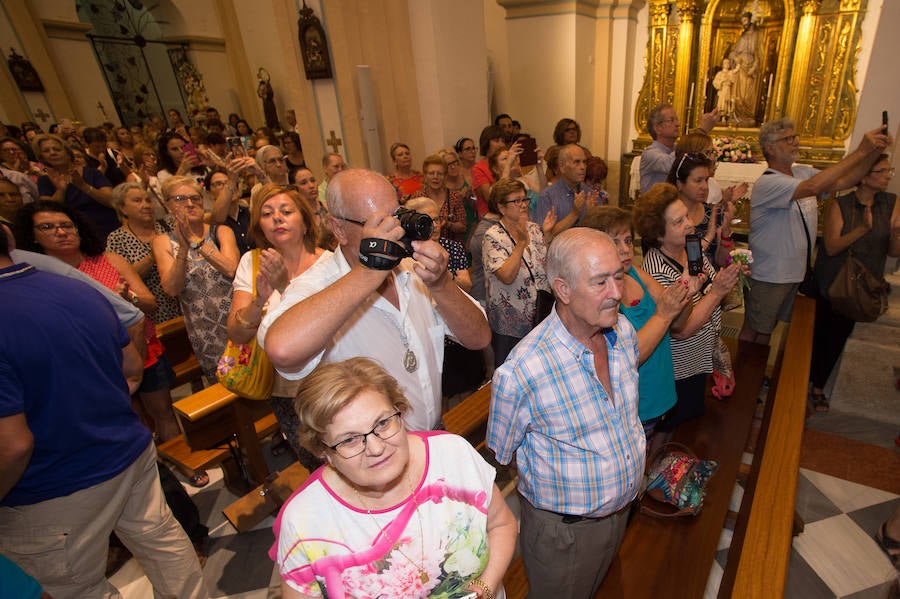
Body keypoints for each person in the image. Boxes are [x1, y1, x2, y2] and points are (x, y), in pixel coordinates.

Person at [0, 229, 209, 598]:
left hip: (55, 480)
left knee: (77, 586)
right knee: (162, 541)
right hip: (125, 447)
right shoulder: (76, 288)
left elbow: (14, 444)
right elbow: (130, 363)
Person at [258, 169, 491, 432]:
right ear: (339, 229)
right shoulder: (318, 284)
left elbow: (479, 337)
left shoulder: (412, 270)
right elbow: (282, 350)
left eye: (396, 217)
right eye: (379, 224)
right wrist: (369, 271)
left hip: (432, 432)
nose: (396, 231)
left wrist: (441, 284)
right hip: (372, 453)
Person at [269, 357, 517, 599]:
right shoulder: (304, 521)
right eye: (350, 439)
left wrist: (487, 585)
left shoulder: (453, 455)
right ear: (324, 452)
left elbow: (502, 525)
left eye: (383, 423)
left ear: (400, 411)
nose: (376, 447)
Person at [487, 228, 645, 598]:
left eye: (618, 277)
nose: (617, 293)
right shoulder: (524, 370)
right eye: (600, 282)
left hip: (622, 512)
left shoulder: (622, 332)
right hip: (565, 534)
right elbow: (502, 452)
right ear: (563, 289)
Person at [739, 118, 891, 345]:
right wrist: (861, 151)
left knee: (768, 331)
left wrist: (871, 153)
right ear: (769, 148)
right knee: (755, 330)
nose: (795, 142)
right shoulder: (768, 183)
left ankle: (756, 373)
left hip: (793, 272)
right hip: (770, 274)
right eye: (787, 139)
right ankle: (741, 376)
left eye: (794, 137)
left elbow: (844, 180)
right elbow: (814, 187)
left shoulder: (801, 171)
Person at [226, 183, 331, 468]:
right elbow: (236, 333)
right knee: (312, 461)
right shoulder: (254, 262)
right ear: (260, 226)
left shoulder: (330, 264)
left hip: (328, 379)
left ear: (306, 222)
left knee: (343, 453)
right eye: (267, 213)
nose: (277, 218)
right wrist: (259, 298)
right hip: (283, 388)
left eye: (286, 211)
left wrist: (285, 288)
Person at [635, 183, 742, 427]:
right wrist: (717, 292)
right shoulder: (656, 271)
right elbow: (681, 330)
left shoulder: (690, 248)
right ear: (659, 233)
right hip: (678, 370)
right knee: (675, 430)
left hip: (699, 360)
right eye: (678, 222)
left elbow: (711, 288)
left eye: (686, 216)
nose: (689, 224)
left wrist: (725, 282)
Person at [581, 206, 691, 435]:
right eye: (615, 242)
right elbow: (628, 355)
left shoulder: (635, 274)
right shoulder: (599, 294)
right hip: (634, 406)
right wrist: (664, 313)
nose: (625, 249)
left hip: (659, 393)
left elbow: (679, 321)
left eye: (628, 240)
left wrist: (685, 292)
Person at [808, 156, 900, 411]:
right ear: (864, 176)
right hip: (834, 279)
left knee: (838, 337)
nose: (888, 175)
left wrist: (898, 234)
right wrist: (862, 229)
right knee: (817, 334)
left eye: (888, 171)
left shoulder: (891, 203)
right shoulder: (842, 204)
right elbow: (832, 246)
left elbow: (893, 251)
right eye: (882, 171)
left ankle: (818, 386)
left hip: (862, 284)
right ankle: (799, 379)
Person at [152, 176, 239, 380]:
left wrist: (195, 241)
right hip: (205, 333)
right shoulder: (162, 242)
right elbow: (171, 289)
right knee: (225, 386)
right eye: (180, 199)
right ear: (167, 205)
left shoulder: (221, 231)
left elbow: (230, 268)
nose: (189, 204)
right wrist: (183, 249)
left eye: (195, 198)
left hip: (238, 324)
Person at [483, 178, 553, 366]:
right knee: (510, 371)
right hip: (510, 323)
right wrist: (521, 243)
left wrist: (548, 235)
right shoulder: (493, 236)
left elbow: (543, 267)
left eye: (524, 199)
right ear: (501, 207)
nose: (523, 205)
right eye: (516, 201)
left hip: (539, 315)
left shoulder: (534, 229)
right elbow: (506, 276)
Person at [33, 133, 120, 240]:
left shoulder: (92, 173)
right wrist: (61, 189)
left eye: (56, 149)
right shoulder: (45, 181)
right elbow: (48, 213)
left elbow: (112, 201)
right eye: (46, 151)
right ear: (42, 157)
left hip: (107, 227)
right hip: (74, 234)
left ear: (67, 152)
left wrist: (84, 186)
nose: (52, 153)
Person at [667, 152, 734, 267]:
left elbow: (723, 262)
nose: (705, 187)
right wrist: (710, 234)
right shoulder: (668, 217)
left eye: (706, 180)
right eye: (698, 181)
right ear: (679, 184)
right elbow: (681, 259)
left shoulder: (712, 213)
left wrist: (725, 232)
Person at [639, 104, 718, 193]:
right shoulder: (650, 154)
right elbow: (675, 165)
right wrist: (701, 131)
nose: (678, 124)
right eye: (671, 120)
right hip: (657, 205)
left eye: (677, 119)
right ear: (657, 128)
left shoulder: (678, 148)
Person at [535, 144, 595, 237]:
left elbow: (601, 233)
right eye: (577, 162)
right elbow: (544, 237)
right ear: (562, 166)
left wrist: (591, 215)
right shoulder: (548, 196)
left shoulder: (591, 195)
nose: (583, 167)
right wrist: (574, 213)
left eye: (584, 162)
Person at [409, 154, 466, 242]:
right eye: (431, 173)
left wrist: (447, 224)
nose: (435, 177)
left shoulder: (454, 197)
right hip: (424, 247)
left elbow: (463, 227)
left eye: (440, 173)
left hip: (452, 248)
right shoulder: (417, 198)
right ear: (425, 176)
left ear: (445, 176)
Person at [728, 12, 760, 126]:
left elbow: (758, 56)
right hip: (739, 68)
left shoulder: (756, 36)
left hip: (749, 68)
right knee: (737, 95)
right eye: (742, 22)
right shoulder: (742, 37)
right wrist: (735, 57)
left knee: (747, 95)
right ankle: (735, 115)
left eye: (745, 21)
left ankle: (746, 116)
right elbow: (733, 53)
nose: (743, 24)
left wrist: (754, 68)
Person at [472, 126, 506, 218]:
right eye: (496, 141)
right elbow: (489, 198)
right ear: (487, 143)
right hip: (490, 217)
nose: (501, 144)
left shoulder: (507, 164)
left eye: (503, 140)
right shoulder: (478, 168)